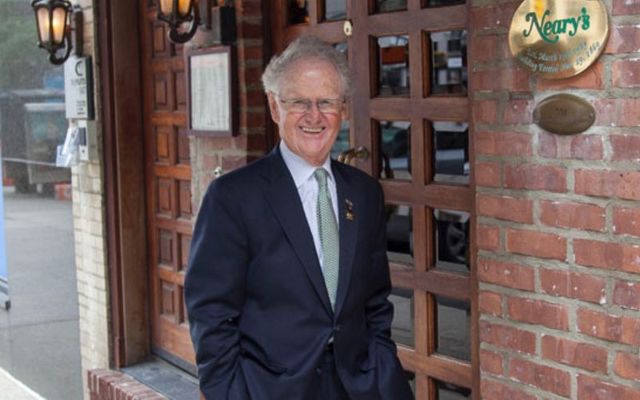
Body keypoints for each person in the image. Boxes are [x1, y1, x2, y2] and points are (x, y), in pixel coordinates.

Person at [185, 36, 414, 400]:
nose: (314, 116)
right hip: (271, 390)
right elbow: (211, 312)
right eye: (299, 103)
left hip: (359, 385)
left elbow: (375, 301)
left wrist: (383, 368)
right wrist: (227, 393)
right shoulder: (233, 197)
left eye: (326, 102)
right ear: (275, 107)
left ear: (341, 109)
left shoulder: (365, 193)